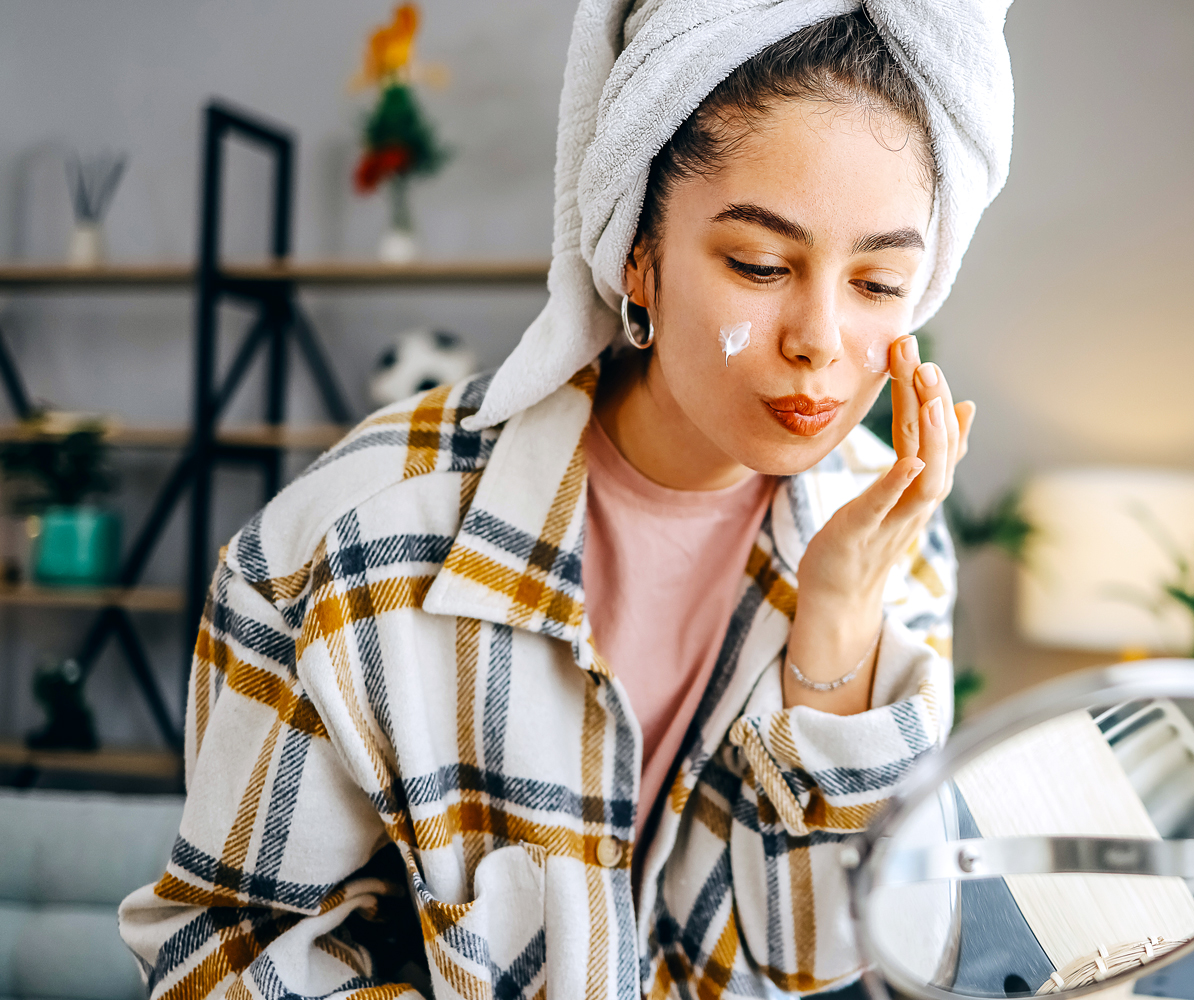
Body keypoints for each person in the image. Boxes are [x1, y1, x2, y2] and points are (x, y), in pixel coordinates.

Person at [120, 3, 1015, 999]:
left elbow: (817, 958)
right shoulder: (354, 538)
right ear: (639, 251)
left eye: (881, 283)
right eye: (761, 265)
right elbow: (222, 953)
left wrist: (839, 631)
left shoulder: (891, 542)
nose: (819, 338)